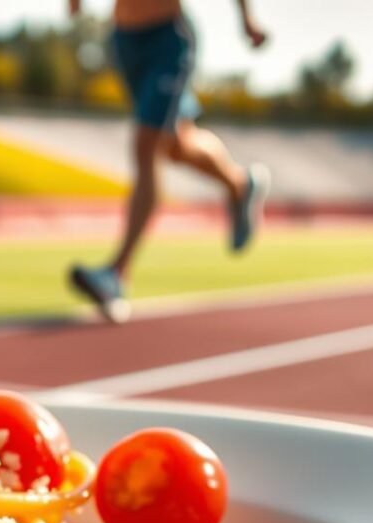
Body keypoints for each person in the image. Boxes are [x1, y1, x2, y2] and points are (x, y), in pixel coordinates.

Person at [69, 0, 270, 323]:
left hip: (167, 39)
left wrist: (247, 19)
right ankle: (240, 183)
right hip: (125, 39)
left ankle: (116, 274)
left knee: (145, 144)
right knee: (175, 145)